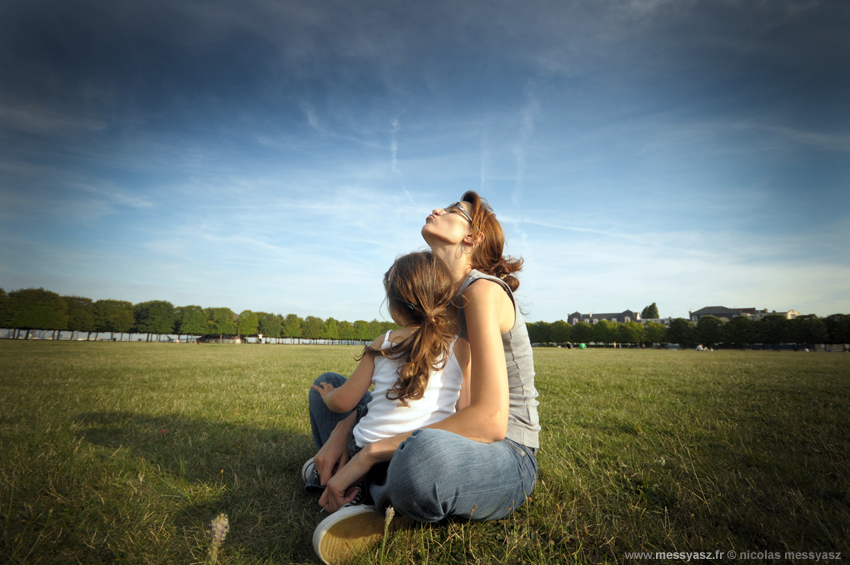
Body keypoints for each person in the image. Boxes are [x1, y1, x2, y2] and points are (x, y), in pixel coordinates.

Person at [306, 192, 539, 565]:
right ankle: (368, 485)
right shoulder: (438, 301)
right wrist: (341, 429)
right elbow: (405, 397)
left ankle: (368, 491)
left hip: (501, 451)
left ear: (472, 238)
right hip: (439, 430)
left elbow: (488, 421)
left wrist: (366, 453)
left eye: (452, 211)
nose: (436, 210)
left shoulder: (482, 290)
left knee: (423, 459)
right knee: (326, 386)